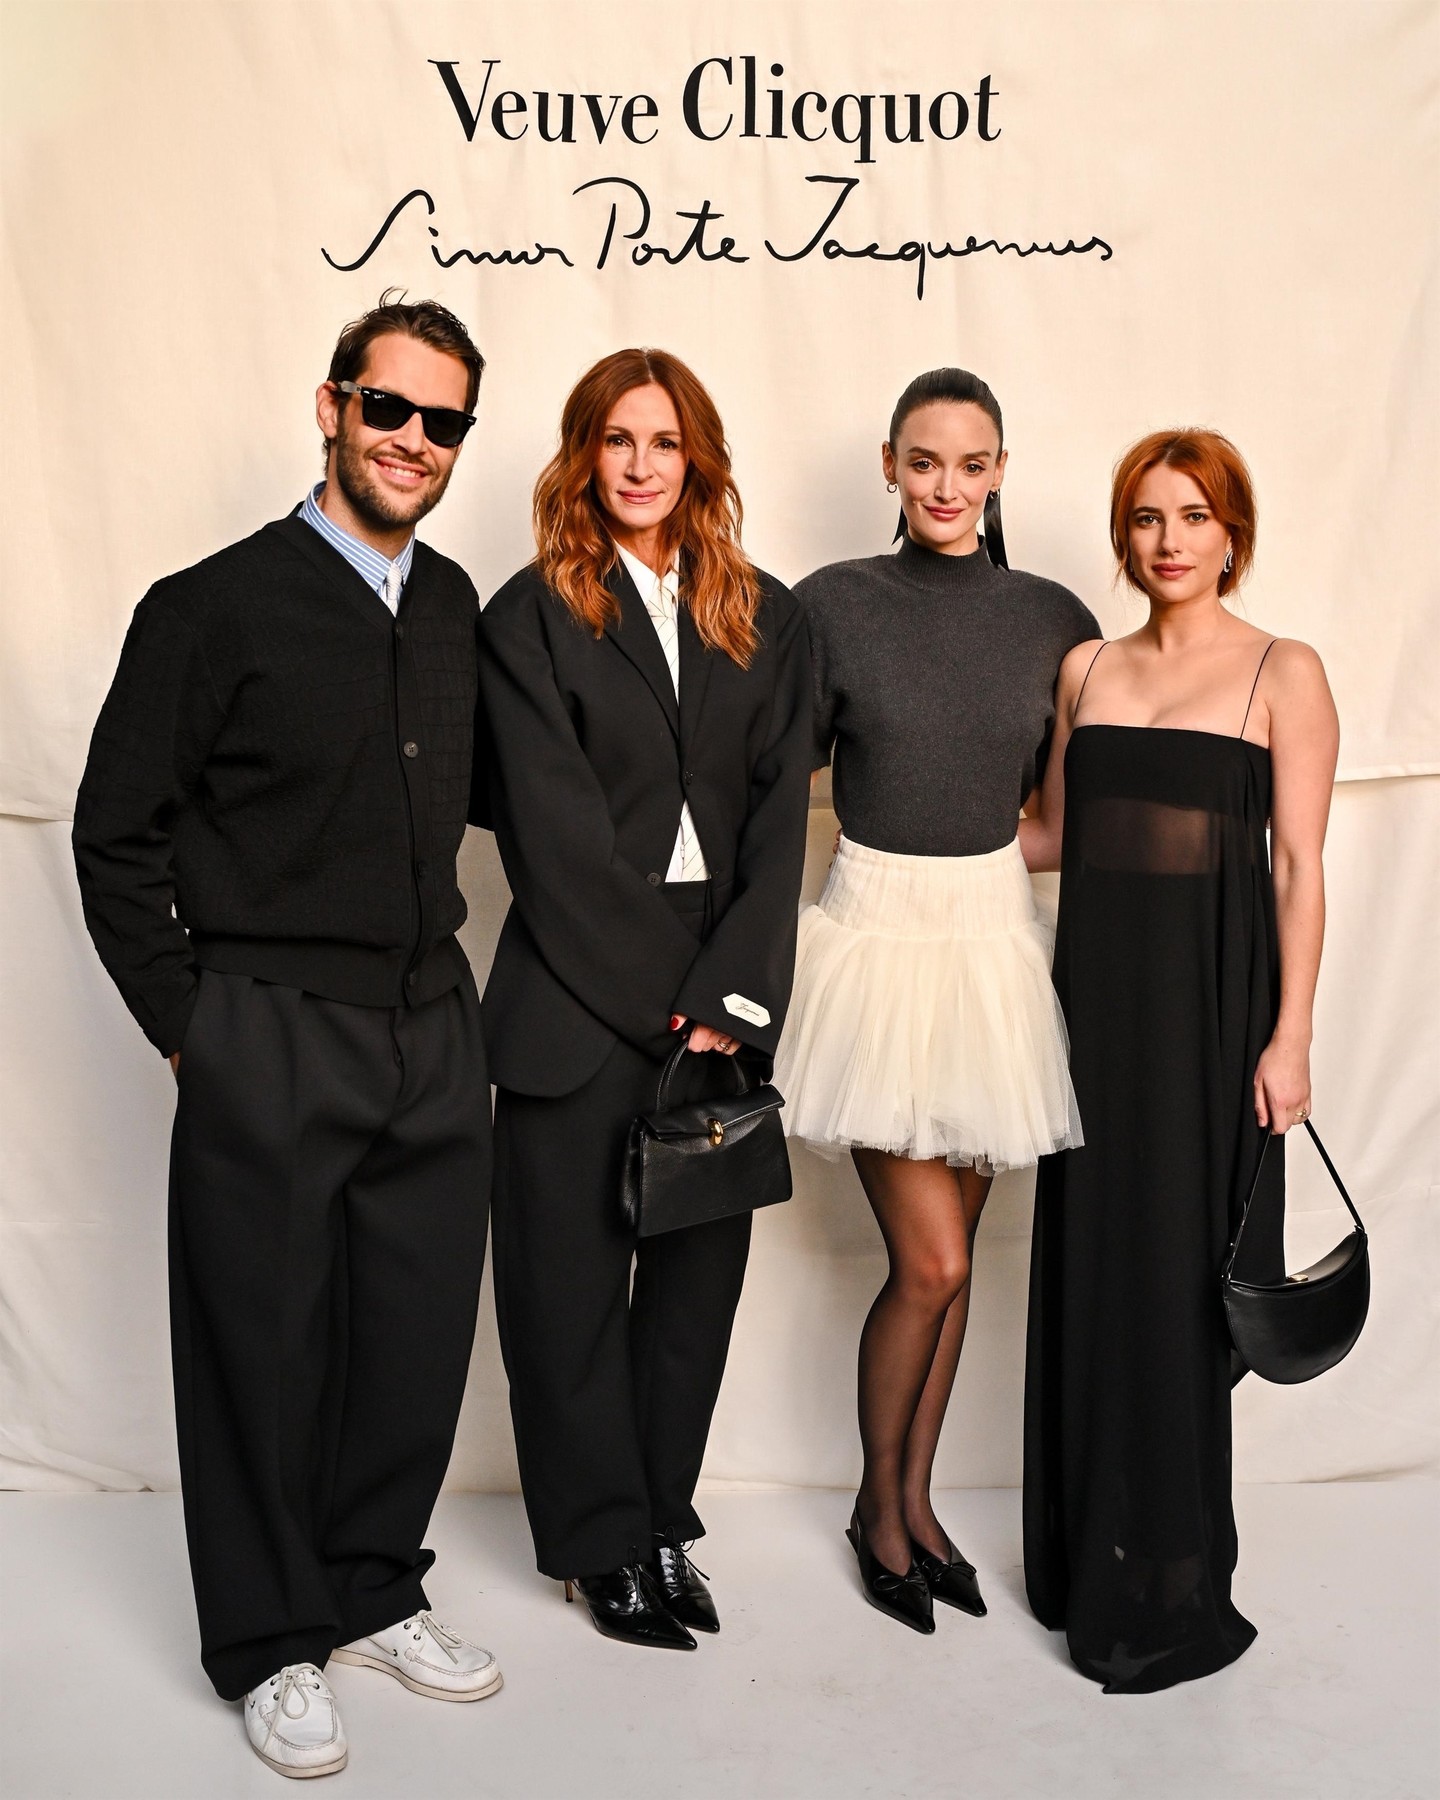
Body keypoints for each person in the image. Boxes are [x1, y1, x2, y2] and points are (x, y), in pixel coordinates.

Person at [73, 297, 502, 1780]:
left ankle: (371, 1589)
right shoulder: (209, 607)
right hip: (266, 1028)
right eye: (389, 408)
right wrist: (195, 1031)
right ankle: (269, 1641)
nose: (414, 441)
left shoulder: (452, 605)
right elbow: (114, 835)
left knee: (414, 1334)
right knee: (260, 1347)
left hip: (430, 1025)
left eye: (444, 422)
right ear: (332, 406)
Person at [478, 348, 811, 1650]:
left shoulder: (765, 615)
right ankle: (596, 1542)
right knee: (565, 1296)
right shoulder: (527, 616)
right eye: (617, 439)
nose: (640, 464)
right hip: (575, 994)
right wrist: (667, 1002)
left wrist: (731, 995)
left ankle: (662, 1520)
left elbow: (781, 820)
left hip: (721, 986)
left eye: (664, 441)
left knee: (692, 1291)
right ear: (583, 454)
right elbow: (551, 838)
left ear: (697, 459)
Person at [773, 369, 1096, 1632]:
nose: (947, 487)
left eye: (970, 464)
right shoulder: (833, 605)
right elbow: (769, 779)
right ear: (890, 466)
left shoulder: (1054, 618)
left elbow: (1061, 819)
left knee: (952, 1273)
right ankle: (876, 1512)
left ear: (1001, 469)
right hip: (878, 944)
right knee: (936, 1260)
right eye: (924, 462)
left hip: (991, 947)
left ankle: (914, 1509)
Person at [1019, 428, 1339, 1693]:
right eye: (1149, 518)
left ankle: (1176, 1576)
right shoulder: (1085, 667)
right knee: (1100, 1272)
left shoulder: (1282, 669)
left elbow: (1300, 866)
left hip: (1214, 1020)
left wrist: (1291, 1035)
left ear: (1232, 532)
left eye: (1195, 516)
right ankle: (1090, 1556)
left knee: (1180, 1289)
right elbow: (1047, 837)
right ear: (1125, 533)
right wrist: (893, 818)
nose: (1170, 541)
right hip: (1091, 1021)